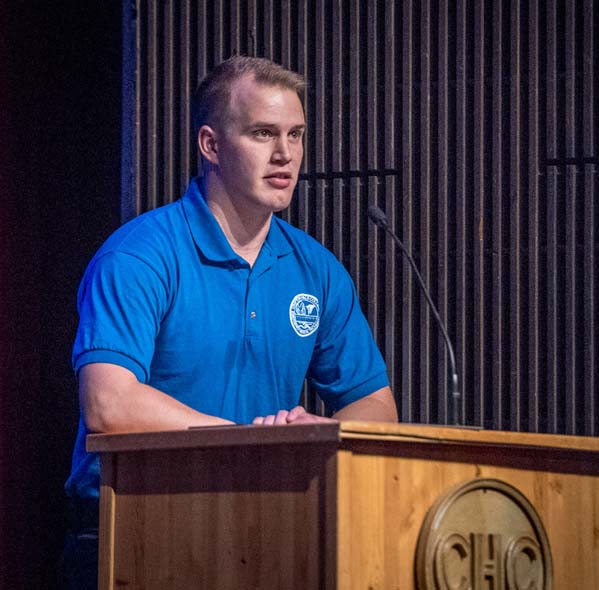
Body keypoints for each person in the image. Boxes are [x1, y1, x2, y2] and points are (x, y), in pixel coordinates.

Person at [61, 55, 397, 588]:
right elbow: (109, 404)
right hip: (134, 530)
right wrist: (251, 443)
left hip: (265, 531)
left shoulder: (317, 270)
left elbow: (377, 406)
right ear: (211, 145)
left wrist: (327, 432)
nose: (286, 154)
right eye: (263, 134)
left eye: (296, 134)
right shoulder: (140, 256)